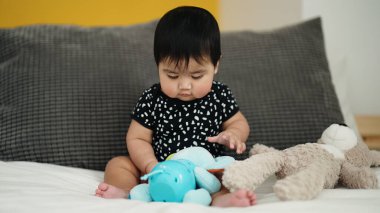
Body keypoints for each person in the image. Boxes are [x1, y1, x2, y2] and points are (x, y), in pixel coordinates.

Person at [95, 6, 256, 207]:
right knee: (118, 164)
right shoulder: (152, 99)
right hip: (160, 171)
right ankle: (127, 192)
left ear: (216, 65)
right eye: (172, 75)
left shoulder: (220, 95)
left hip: (206, 173)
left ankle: (220, 199)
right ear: (158, 65)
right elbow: (137, 137)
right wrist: (150, 165)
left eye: (197, 76)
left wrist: (233, 134)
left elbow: (239, 123)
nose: (185, 86)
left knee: (233, 173)